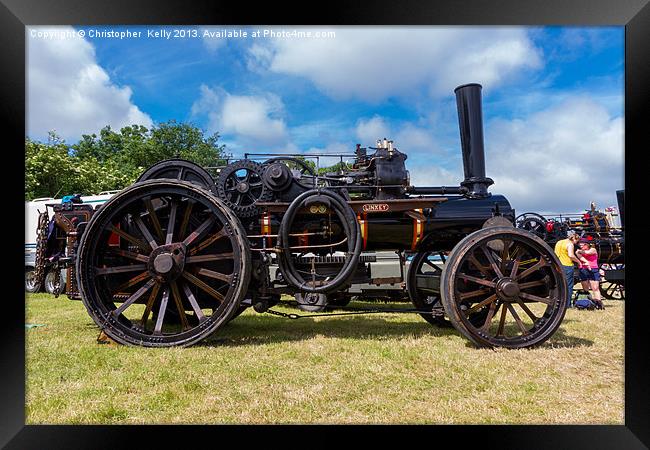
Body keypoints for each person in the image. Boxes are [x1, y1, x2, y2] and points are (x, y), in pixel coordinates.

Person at [554, 231, 587, 308]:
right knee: (568, 285)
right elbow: (571, 255)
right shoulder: (570, 244)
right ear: (574, 238)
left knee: (559, 285)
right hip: (567, 265)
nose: (576, 243)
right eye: (576, 241)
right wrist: (579, 262)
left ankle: (558, 303)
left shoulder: (559, 242)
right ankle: (567, 304)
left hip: (558, 265)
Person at [576, 238, 605, 309]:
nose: (581, 246)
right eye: (580, 245)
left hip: (593, 269)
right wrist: (586, 262)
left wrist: (579, 251)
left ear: (587, 245)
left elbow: (587, 253)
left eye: (583, 245)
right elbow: (580, 257)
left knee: (595, 288)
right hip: (583, 269)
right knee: (585, 288)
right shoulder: (579, 252)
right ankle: (587, 303)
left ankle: (599, 303)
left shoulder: (593, 250)